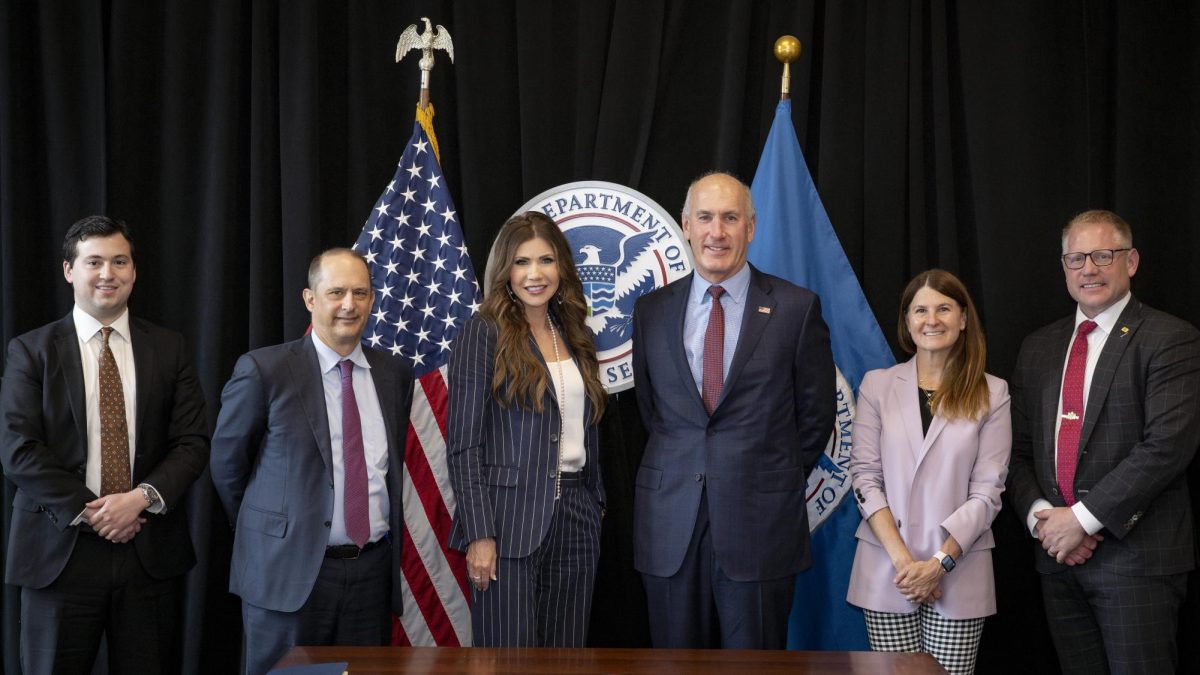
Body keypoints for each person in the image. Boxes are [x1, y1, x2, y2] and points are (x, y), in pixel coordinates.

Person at [630, 171, 834, 649]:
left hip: (759, 526)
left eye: (729, 218)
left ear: (751, 227)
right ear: (685, 224)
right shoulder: (651, 310)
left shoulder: (795, 308)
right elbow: (652, 412)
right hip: (669, 525)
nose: (716, 232)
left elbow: (815, 416)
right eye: (705, 217)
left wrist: (761, 473)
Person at [0, 215, 209, 674]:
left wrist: (139, 501)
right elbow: (19, 449)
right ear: (69, 270)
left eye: (119, 261)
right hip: (58, 552)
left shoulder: (169, 348)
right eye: (93, 261)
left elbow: (192, 442)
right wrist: (96, 511)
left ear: (133, 271)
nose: (107, 273)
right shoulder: (31, 351)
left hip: (147, 550)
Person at [1006, 210, 1200, 674]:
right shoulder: (1038, 347)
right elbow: (1016, 451)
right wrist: (1044, 523)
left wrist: (1082, 521)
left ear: (1130, 262)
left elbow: (1166, 447)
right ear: (1064, 267)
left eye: (1102, 255)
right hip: (1058, 561)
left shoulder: (1170, 339)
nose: (1088, 269)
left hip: (1136, 560)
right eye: (1076, 258)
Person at [210, 248, 412, 675]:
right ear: (309, 299)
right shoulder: (264, 370)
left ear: (373, 300)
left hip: (370, 576)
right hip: (288, 575)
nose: (348, 304)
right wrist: (274, 533)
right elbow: (228, 468)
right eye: (336, 291)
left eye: (360, 293)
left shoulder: (392, 374)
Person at [447, 211, 607, 647]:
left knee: (566, 654)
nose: (535, 274)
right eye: (521, 262)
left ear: (562, 268)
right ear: (505, 270)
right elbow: (464, 445)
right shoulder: (483, 333)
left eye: (546, 260)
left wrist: (595, 502)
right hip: (507, 522)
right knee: (507, 659)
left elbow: (585, 426)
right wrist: (479, 533)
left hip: (576, 517)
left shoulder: (576, 334)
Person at [846, 269, 1010, 674]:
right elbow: (865, 477)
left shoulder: (992, 392)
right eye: (920, 310)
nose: (931, 319)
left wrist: (939, 564)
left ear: (963, 318)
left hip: (959, 570)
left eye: (943, 308)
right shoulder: (876, 386)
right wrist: (908, 567)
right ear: (906, 321)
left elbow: (988, 492)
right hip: (889, 570)